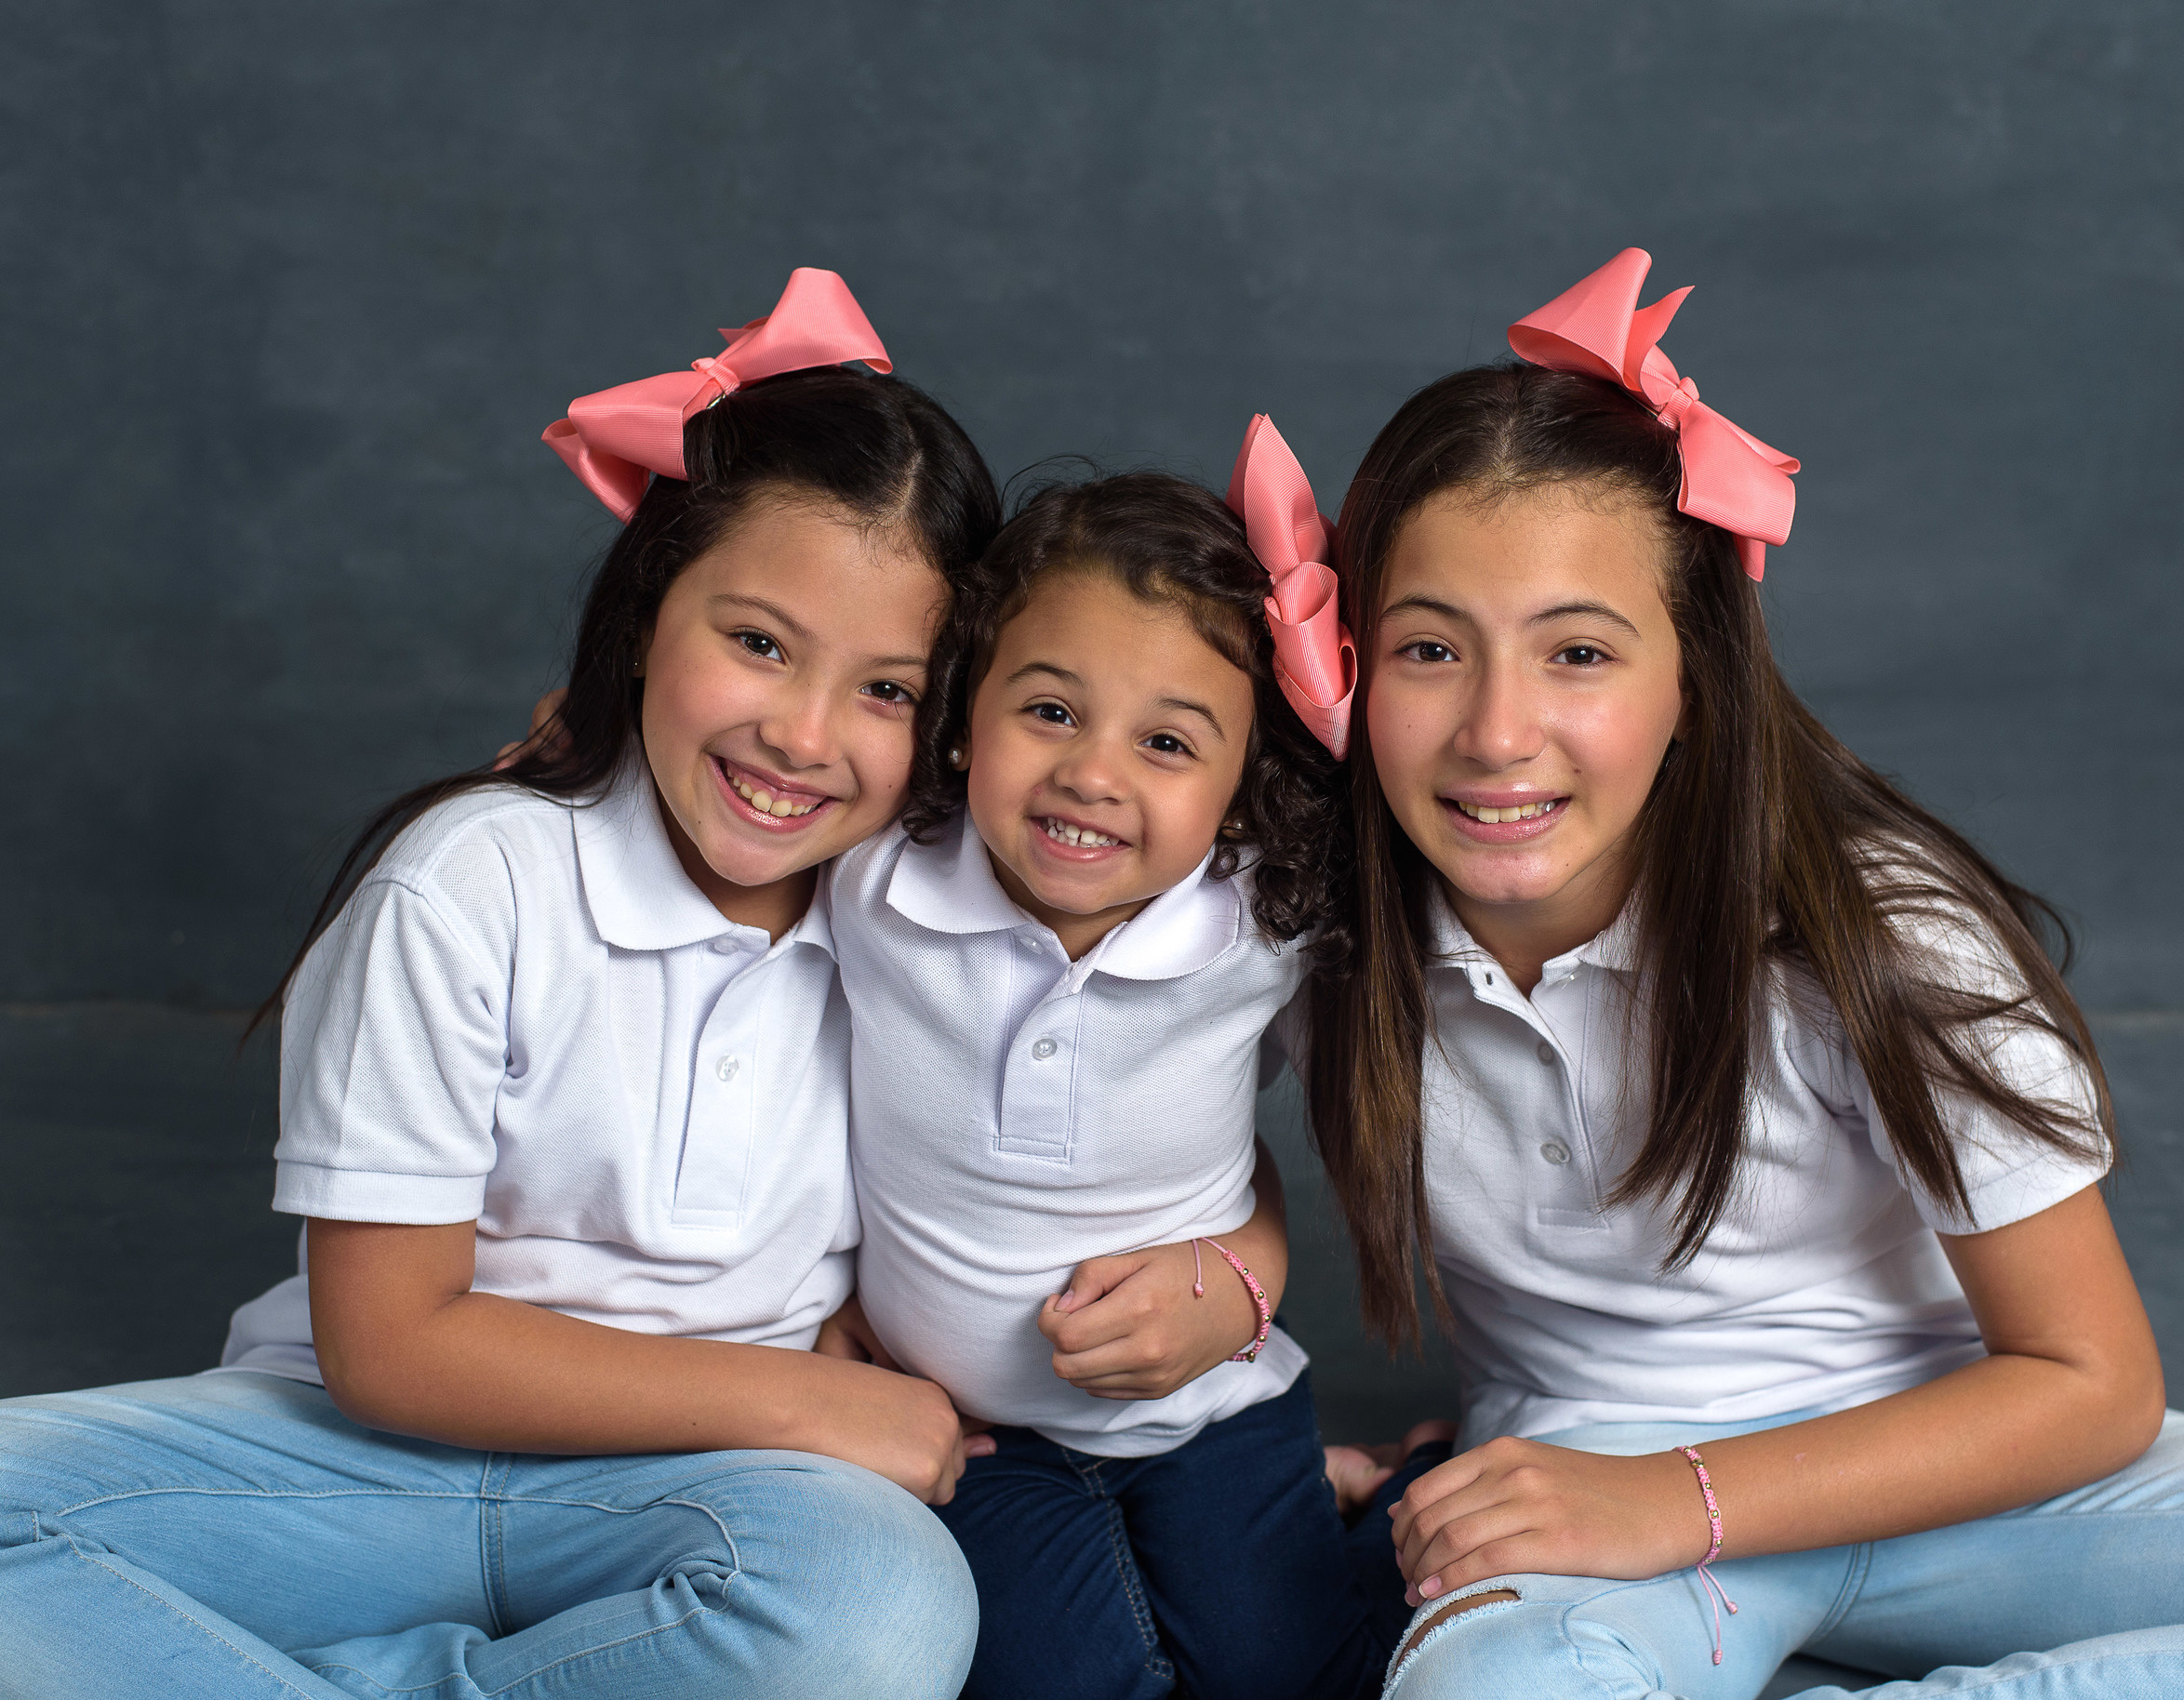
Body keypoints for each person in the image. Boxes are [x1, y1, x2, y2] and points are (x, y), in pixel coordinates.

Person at [1306, 248, 2184, 1697]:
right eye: (1432, 649)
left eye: (1579, 654)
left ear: (1694, 677)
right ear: (1349, 665)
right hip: (1585, 1494)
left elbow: (2095, 1381)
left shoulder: (1871, 933)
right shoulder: (1314, 923)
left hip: (1954, 1473)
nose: (1500, 734)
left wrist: (1679, 1496)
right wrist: (1226, 1424)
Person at [0, 268, 1005, 1700]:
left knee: (881, 1610)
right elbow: (389, 1343)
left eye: (888, 690)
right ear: (651, 609)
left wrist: (1221, 1354)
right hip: (351, 1464)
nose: (802, 733)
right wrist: (814, 1394)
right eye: (758, 643)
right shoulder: (473, 879)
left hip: (696, 1494)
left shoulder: (924, 925)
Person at [827, 421, 1412, 1699]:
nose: (1091, 773)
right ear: (964, 714)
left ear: (1236, 786)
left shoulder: (1262, 924)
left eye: (1167, 744)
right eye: (1048, 710)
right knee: (1067, 1680)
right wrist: (577, 743)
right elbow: (730, 805)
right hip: (972, 1429)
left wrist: (1248, 1276)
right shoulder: (871, 878)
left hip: (1217, 1404)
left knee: (1288, 1680)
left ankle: (1398, 1490)